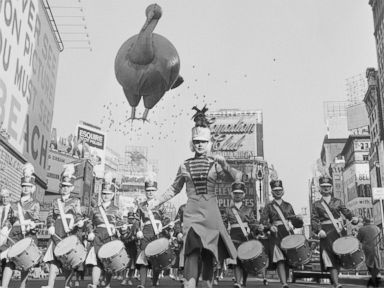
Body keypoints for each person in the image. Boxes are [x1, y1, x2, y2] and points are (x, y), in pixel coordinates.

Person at [148, 106, 240, 288]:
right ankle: (190, 285)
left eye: (203, 142)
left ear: (209, 143)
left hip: (211, 212)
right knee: (191, 250)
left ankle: (207, 284)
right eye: (196, 141)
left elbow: (235, 179)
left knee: (208, 252)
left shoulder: (216, 163)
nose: (199, 144)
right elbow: (175, 187)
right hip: (192, 213)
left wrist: (226, 165)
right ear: (192, 143)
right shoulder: (184, 165)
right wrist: (157, 201)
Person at [41, 164, 85, 288]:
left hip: (69, 231)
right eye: (63, 186)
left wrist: (80, 221)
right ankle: (50, 285)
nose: (65, 189)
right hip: (57, 230)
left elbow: (78, 215)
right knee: (54, 258)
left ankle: (67, 284)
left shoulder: (75, 201)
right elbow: (50, 215)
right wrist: (50, 225)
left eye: (68, 187)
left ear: (71, 188)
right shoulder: (55, 202)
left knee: (68, 260)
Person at [311, 175, 358, 288]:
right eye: (323, 187)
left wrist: (353, 218)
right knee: (329, 256)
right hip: (325, 233)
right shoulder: (316, 204)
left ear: (331, 188)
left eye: (328, 186)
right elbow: (314, 219)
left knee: (340, 255)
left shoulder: (338, 201)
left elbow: (346, 213)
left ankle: (335, 279)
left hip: (339, 231)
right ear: (320, 189)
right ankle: (336, 283)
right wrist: (318, 230)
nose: (326, 188)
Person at [0, 163, 41, 288]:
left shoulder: (35, 204)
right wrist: (6, 227)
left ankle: (22, 286)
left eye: (28, 186)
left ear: (32, 188)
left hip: (28, 234)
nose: (25, 189)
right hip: (14, 233)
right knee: (9, 259)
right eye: (23, 186)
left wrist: (33, 225)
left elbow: (37, 219)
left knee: (26, 261)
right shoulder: (13, 204)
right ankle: (4, 286)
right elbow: (9, 219)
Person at [260, 172, 303, 288]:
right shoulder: (268, 206)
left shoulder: (288, 205)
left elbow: (295, 223)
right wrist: (269, 226)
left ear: (283, 191)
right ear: (272, 191)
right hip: (275, 234)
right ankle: (283, 282)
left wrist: (299, 219)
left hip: (288, 233)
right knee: (279, 259)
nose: (278, 191)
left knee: (288, 258)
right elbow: (263, 221)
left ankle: (286, 280)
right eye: (275, 189)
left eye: (280, 189)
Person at [86, 172, 124, 288]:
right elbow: (89, 222)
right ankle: (94, 284)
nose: (106, 195)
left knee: (108, 262)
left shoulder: (117, 209)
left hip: (110, 236)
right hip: (97, 236)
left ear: (113, 194)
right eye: (104, 193)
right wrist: (90, 232)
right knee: (96, 262)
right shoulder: (95, 209)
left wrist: (120, 229)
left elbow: (120, 223)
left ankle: (107, 285)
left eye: (108, 193)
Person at [222, 181, 259, 288]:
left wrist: (258, 228)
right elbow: (224, 223)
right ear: (232, 194)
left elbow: (253, 223)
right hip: (234, 237)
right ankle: (238, 282)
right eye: (235, 193)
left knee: (245, 261)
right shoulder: (228, 210)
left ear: (243, 195)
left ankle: (243, 281)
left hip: (246, 237)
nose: (238, 195)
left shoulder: (249, 209)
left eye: (240, 193)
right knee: (237, 261)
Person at [135, 174, 169, 288]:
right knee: (143, 260)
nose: (150, 192)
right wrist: (137, 230)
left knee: (156, 262)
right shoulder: (140, 206)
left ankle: (154, 283)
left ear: (156, 191)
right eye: (148, 190)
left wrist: (166, 225)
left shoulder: (161, 204)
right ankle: (142, 284)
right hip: (145, 234)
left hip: (157, 234)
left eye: (152, 190)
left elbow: (166, 219)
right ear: (145, 191)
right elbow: (136, 221)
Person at [357, 217, 381, 287]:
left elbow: (359, 240)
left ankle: (374, 279)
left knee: (369, 263)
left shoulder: (361, 229)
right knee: (376, 262)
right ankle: (376, 276)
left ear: (364, 222)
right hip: (376, 247)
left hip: (367, 248)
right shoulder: (377, 228)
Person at [120, 211, 139, 286]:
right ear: (128, 218)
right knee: (125, 264)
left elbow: (139, 236)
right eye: (130, 218)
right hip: (125, 247)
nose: (131, 220)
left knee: (132, 265)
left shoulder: (136, 226)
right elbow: (121, 236)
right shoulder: (124, 225)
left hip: (133, 247)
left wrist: (136, 237)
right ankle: (124, 279)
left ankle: (129, 279)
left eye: (132, 218)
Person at [0, 188, 11, 278]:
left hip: (7, 236)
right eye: (3, 197)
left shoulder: (13, 208)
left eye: (6, 197)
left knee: (4, 257)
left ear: (10, 198)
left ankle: (3, 280)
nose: (4, 199)